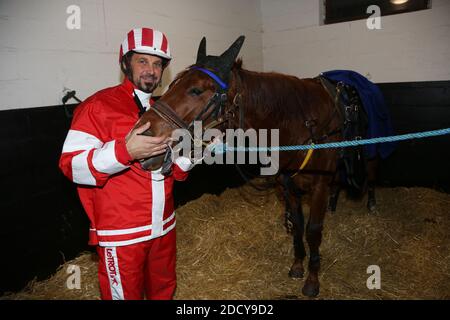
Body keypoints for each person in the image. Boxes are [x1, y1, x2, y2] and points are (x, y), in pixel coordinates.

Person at [59, 27, 195, 300]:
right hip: (122, 233)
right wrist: (125, 151)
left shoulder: (164, 109)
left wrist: (196, 151)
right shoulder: (97, 106)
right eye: (142, 61)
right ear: (125, 63)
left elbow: (176, 170)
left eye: (157, 64)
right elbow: (70, 165)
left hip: (164, 226)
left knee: (164, 291)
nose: (151, 70)